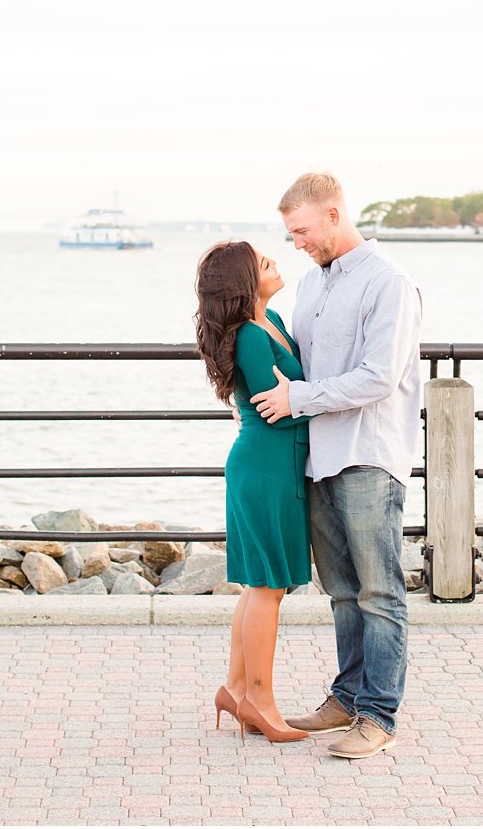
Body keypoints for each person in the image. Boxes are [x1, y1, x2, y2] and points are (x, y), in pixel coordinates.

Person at [249, 171, 423, 760]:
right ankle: (347, 698)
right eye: (289, 233)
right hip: (319, 455)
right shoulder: (311, 286)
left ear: (333, 214)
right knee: (342, 591)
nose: (296, 243)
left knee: (379, 591)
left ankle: (379, 715)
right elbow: (298, 367)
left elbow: (379, 377)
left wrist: (296, 398)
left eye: (301, 231)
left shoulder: (388, 283)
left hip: (369, 454)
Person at [193, 240, 314, 744]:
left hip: (275, 465)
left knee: (262, 586)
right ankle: (260, 702)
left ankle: (236, 689)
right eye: (263, 263)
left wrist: (305, 395)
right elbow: (278, 406)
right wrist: (329, 398)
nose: (274, 262)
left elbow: (296, 394)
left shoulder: (274, 323)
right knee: (267, 587)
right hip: (265, 467)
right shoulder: (248, 337)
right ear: (245, 282)